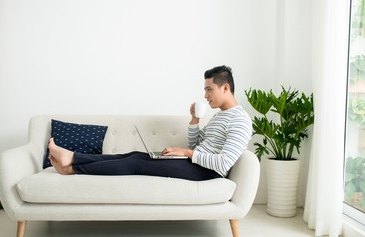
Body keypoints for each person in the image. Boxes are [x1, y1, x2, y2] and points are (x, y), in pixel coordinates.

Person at [48, 65, 252, 181]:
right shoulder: (220, 116)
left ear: (225, 88)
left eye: (209, 89)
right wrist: (194, 120)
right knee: (135, 155)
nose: (205, 95)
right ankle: (73, 159)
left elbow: (224, 163)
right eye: (205, 90)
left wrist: (188, 154)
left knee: (136, 164)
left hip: (208, 172)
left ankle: (72, 166)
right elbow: (196, 145)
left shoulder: (240, 120)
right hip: (196, 163)